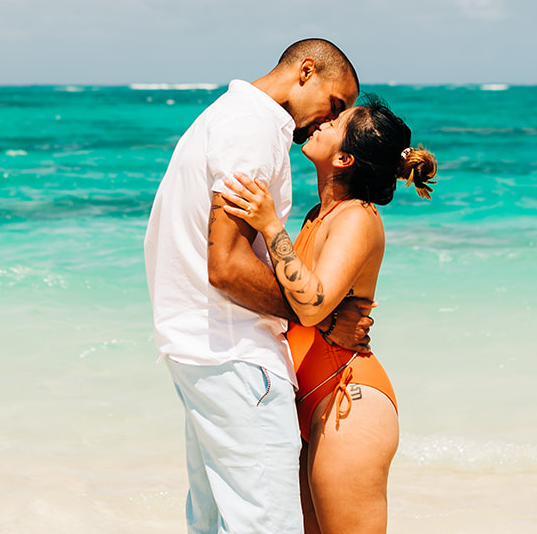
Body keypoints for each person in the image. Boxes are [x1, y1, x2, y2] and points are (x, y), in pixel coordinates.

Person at [145, 40, 372, 534]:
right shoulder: (254, 127)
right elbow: (226, 265)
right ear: (305, 71)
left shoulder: (226, 116)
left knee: (213, 522)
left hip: (200, 347)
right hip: (235, 351)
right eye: (333, 105)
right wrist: (322, 318)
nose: (324, 122)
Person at [219, 97, 437, 534]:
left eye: (336, 122)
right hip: (311, 395)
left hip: (347, 399)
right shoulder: (320, 214)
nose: (323, 121)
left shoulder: (357, 217)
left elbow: (312, 302)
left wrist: (269, 225)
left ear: (343, 158)